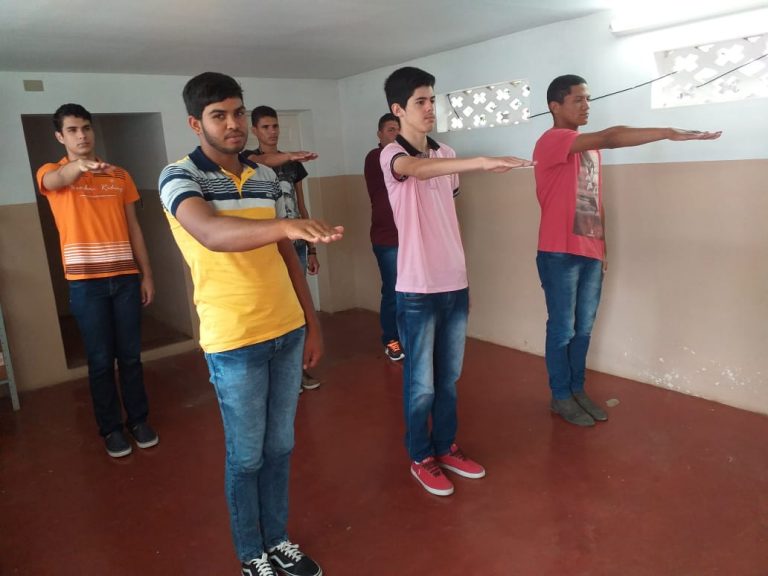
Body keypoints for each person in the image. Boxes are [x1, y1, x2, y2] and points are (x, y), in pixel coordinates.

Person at [159, 72, 342, 576]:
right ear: (196, 124)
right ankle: (251, 553)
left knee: (280, 446)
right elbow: (211, 232)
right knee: (246, 456)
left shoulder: (263, 177)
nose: (233, 124)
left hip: (286, 330)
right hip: (234, 339)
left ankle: (277, 539)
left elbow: (284, 253)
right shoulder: (179, 176)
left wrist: (312, 323)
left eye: (238, 112)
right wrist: (284, 224)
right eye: (219, 115)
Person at [534, 74, 721, 427]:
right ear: (554, 106)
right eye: (578, 99)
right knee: (562, 329)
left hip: (590, 253)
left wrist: (602, 248)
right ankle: (560, 395)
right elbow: (611, 136)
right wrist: (667, 131)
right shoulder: (552, 140)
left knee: (583, 328)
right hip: (559, 253)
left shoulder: (588, 150)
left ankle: (576, 389)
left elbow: (594, 200)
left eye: (588, 99)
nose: (586, 106)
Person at [380, 66, 533, 496]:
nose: (430, 108)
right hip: (417, 288)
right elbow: (416, 170)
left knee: (448, 378)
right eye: (420, 102)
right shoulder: (391, 155)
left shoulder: (446, 153)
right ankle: (420, 456)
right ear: (398, 110)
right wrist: (483, 161)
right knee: (421, 383)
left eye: (432, 100)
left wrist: (460, 273)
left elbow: (447, 208)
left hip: (454, 282)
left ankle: (445, 446)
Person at [36, 103, 158, 458]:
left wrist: (147, 275)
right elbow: (56, 180)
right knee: (101, 360)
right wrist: (78, 167)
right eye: (72, 130)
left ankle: (139, 421)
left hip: (125, 280)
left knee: (131, 357)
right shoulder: (51, 172)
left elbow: (134, 228)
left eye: (86, 128)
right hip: (86, 284)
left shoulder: (119, 175)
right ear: (60, 137)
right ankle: (111, 429)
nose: (81, 135)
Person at [247, 106, 322, 391]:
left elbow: (301, 205)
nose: (272, 132)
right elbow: (264, 159)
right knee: (275, 305)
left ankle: (299, 371)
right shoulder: (249, 161)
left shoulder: (293, 166)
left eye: (275, 126)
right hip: (269, 246)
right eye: (265, 127)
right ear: (255, 130)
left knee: (299, 306)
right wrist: (289, 155)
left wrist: (312, 248)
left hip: (297, 245)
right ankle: (277, 372)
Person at [364, 113, 404, 362]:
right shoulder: (375, 156)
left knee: (413, 292)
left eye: (399, 130)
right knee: (393, 290)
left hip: (411, 237)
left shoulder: (408, 158)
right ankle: (391, 339)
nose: (396, 134)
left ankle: (409, 335)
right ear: (379, 134)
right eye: (390, 130)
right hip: (387, 238)